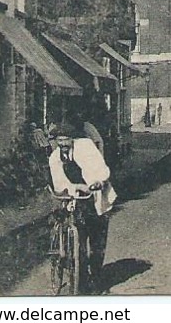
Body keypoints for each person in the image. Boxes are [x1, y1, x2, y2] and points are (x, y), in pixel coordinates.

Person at [48, 120, 116, 291]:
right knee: (79, 242)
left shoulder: (85, 147)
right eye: (59, 140)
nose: (62, 143)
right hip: (76, 199)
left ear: (73, 139)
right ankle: (81, 280)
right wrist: (75, 187)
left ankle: (96, 279)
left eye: (66, 139)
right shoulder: (55, 157)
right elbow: (59, 183)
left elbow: (101, 168)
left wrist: (97, 182)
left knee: (97, 242)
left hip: (95, 197)